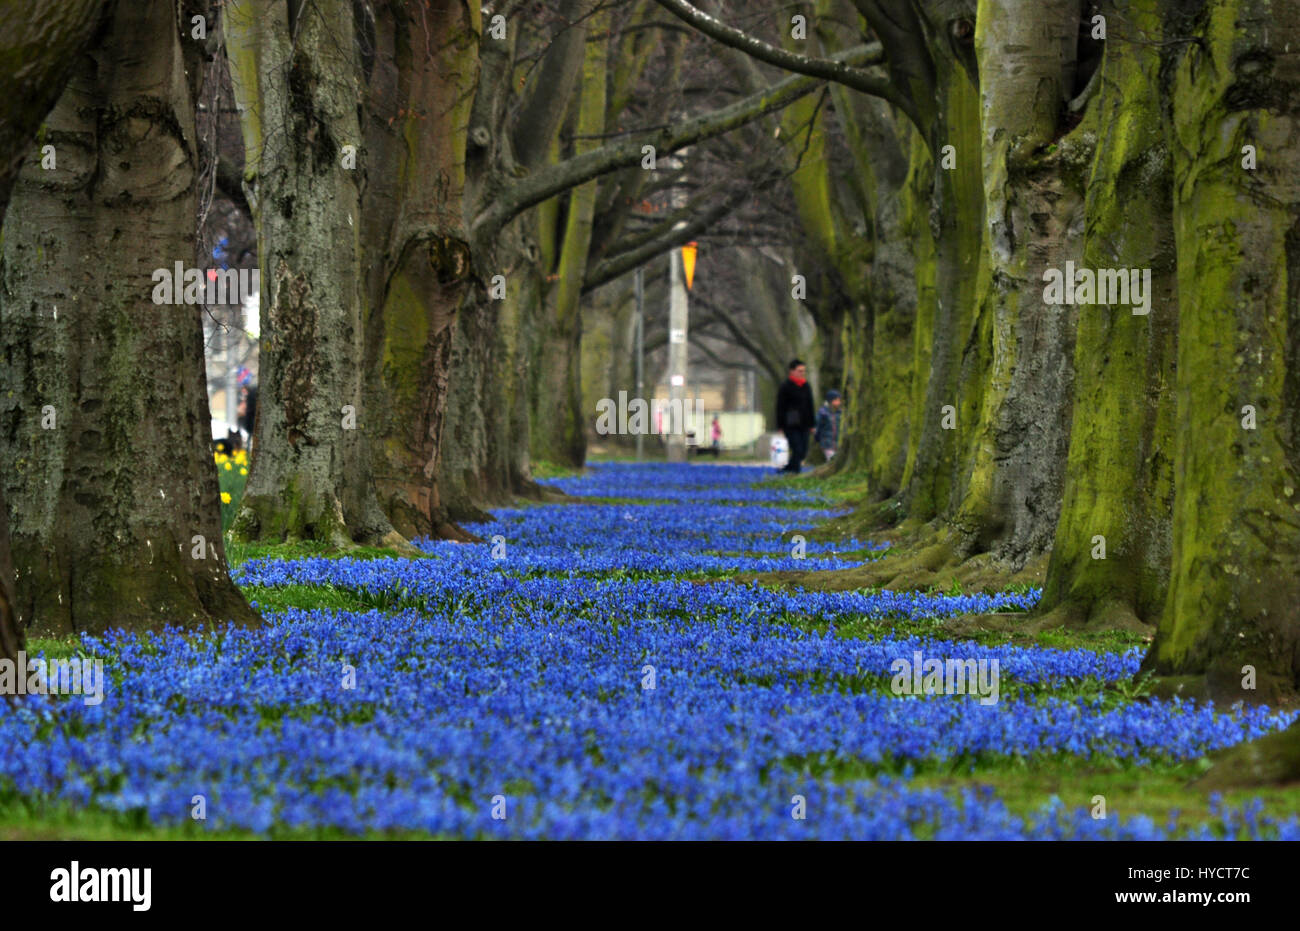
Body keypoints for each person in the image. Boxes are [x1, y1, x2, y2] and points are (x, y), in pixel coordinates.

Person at [774, 359, 815, 473]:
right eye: (799, 371)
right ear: (792, 371)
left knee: (803, 451)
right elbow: (780, 407)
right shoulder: (785, 386)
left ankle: (789, 468)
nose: (802, 373)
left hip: (805, 423)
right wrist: (780, 425)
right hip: (790, 424)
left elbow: (810, 404)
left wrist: (812, 424)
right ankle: (796, 471)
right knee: (797, 448)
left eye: (803, 371)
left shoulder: (806, 386)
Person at [815, 389, 842, 461]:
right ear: (831, 401)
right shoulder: (823, 413)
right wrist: (817, 438)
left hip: (837, 443)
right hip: (827, 443)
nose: (839, 402)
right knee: (832, 460)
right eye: (837, 400)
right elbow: (817, 426)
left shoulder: (839, 412)